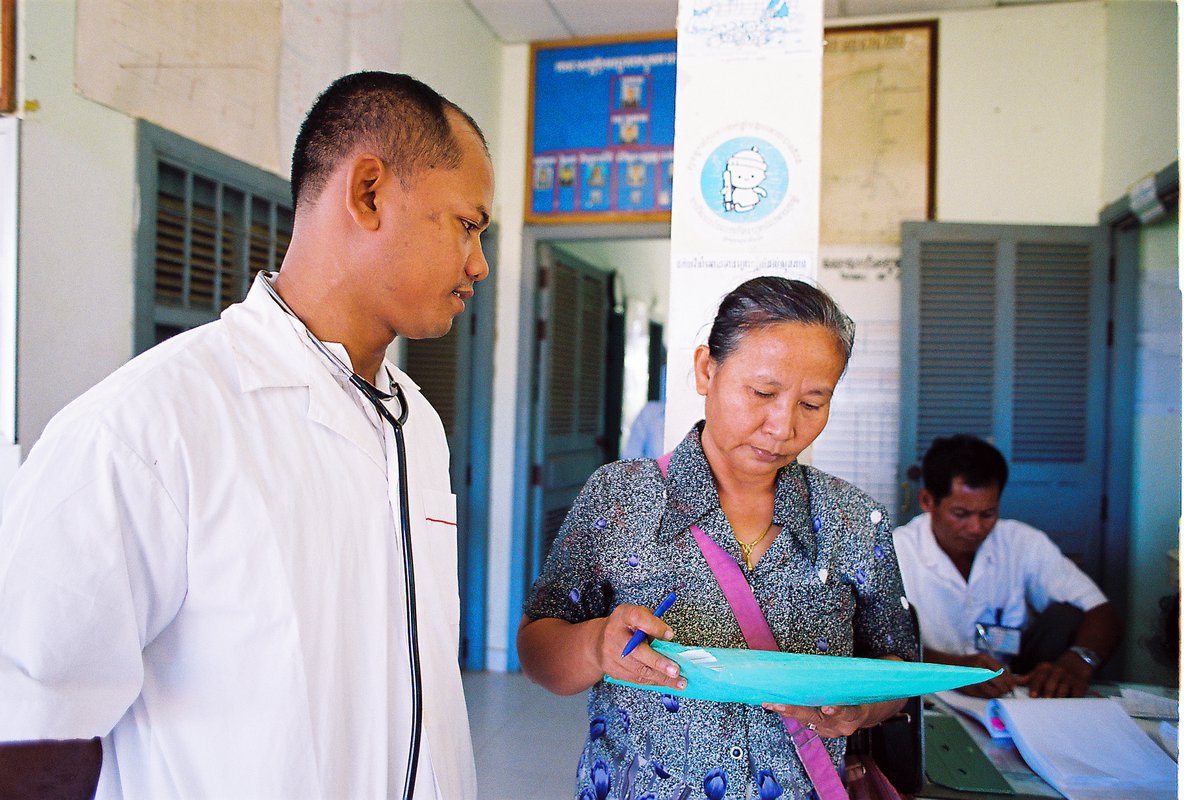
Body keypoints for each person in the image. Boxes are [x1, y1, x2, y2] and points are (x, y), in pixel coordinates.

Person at [0, 71, 493, 799]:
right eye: (467, 225)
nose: (478, 264)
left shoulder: (414, 420)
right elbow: (31, 725)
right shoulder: (148, 428)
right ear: (368, 192)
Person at [518, 277, 918, 800]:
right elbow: (537, 648)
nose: (783, 426)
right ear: (707, 369)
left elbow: (899, 671)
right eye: (763, 393)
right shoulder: (619, 496)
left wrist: (860, 708)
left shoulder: (852, 519)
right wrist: (596, 646)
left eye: (813, 404)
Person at [893, 434, 1123, 699]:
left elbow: (1103, 615)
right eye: (961, 514)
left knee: (1066, 618)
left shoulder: (1021, 542)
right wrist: (953, 670)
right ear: (927, 501)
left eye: (988, 514)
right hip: (926, 693)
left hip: (1009, 693)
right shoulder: (898, 550)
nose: (976, 528)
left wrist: (1078, 662)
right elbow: (872, 646)